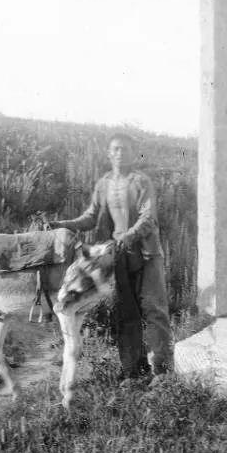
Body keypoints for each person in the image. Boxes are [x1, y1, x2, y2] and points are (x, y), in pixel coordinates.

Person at [51, 132, 173, 380]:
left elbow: (148, 217)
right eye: (116, 149)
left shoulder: (141, 181)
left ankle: (162, 372)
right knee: (126, 312)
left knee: (154, 309)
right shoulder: (104, 183)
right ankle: (133, 372)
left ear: (133, 153)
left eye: (125, 149)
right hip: (118, 256)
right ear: (109, 153)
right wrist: (63, 224)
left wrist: (129, 235)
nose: (120, 153)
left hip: (147, 254)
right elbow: (90, 217)